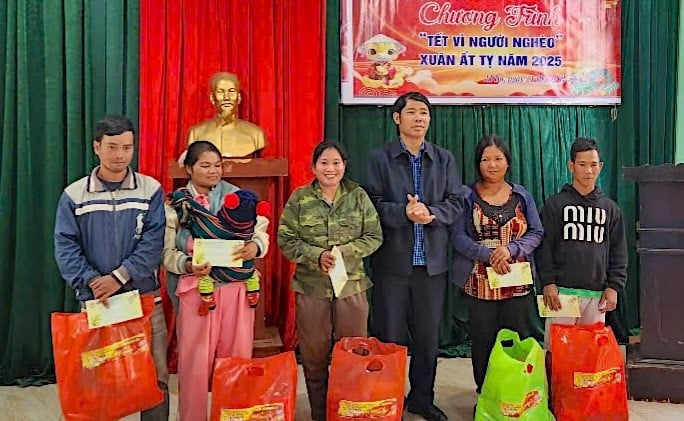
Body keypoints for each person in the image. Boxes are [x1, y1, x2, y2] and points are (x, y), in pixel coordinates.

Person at [54, 115, 168, 420]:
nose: (120, 155)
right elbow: (65, 247)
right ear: (96, 147)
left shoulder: (150, 190)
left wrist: (119, 277)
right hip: (97, 302)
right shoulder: (74, 195)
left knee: (155, 377)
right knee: (96, 379)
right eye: (113, 147)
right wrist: (92, 281)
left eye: (127, 148)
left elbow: (153, 243)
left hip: (145, 301)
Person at [366, 92, 464, 421]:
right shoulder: (380, 158)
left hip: (432, 265)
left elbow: (456, 202)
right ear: (397, 118)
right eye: (411, 112)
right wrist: (403, 213)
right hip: (392, 264)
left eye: (424, 113)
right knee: (389, 336)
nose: (419, 118)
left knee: (426, 338)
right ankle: (386, 398)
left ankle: (422, 398)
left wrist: (432, 213)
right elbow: (371, 207)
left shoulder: (444, 159)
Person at [162, 140, 270, 421]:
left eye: (217, 165)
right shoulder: (176, 204)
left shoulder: (240, 198)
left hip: (237, 289)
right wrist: (187, 264)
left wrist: (254, 247)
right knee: (194, 364)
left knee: (236, 359)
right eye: (205, 165)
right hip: (197, 288)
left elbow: (261, 233)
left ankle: (234, 415)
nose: (213, 171)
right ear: (189, 168)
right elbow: (167, 253)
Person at [277, 140, 382, 421]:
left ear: (344, 166)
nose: (330, 168)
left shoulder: (358, 196)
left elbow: (374, 236)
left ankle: (349, 412)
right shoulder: (300, 199)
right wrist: (316, 255)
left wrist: (343, 253)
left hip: (352, 288)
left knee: (354, 355)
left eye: (336, 162)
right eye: (324, 163)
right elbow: (285, 239)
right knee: (314, 357)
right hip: (311, 288)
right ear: (313, 167)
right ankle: (320, 414)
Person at [450, 135, 543, 401]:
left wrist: (511, 249)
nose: (492, 165)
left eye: (498, 159)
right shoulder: (466, 196)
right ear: (477, 164)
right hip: (479, 282)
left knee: (517, 338)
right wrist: (489, 254)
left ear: (507, 162)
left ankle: (517, 394)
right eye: (485, 159)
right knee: (483, 341)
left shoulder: (522, 195)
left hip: (517, 281)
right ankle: (486, 394)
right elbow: (457, 237)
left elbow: (536, 232)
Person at [535, 137, 628, 349]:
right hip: (561, 294)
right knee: (558, 353)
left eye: (593, 165)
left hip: (597, 296)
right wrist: (548, 282)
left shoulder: (611, 209)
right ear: (571, 166)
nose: (588, 171)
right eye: (582, 164)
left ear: (601, 167)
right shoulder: (554, 205)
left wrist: (614, 287)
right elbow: (544, 247)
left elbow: (618, 252)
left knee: (589, 356)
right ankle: (556, 385)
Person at [186, 72, 267, 158]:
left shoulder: (256, 134)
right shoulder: (196, 134)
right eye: (220, 92)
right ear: (212, 98)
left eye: (231, 92)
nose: (227, 97)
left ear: (238, 98)